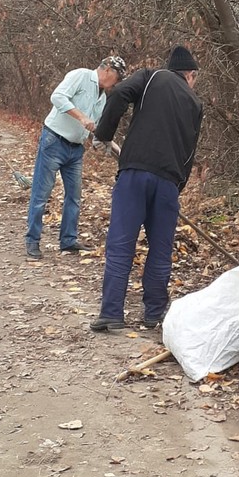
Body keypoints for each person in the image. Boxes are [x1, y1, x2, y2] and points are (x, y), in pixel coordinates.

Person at [90, 45, 203, 332]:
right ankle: (154, 313)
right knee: (161, 250)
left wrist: (104, 133)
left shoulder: (151, 77)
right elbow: (189, 151)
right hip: (168, 182)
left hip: (135, 173)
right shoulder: (195, 102)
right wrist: (178, 186)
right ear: (189, 75)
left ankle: (112, 313)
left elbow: (117, 95)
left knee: (121, 243)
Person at [25, 56, 126, 260]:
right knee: (41, 193)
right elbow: (58, 97)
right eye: (117, 76)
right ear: (106, 69)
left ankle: (68, 240)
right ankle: (33, 240)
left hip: (76, 149)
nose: (116, 82)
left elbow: (96, 130)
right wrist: (81, 117)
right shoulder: (80, 76)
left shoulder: (102, 97)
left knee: (74, 196)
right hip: (54, 141)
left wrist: (116, 148)